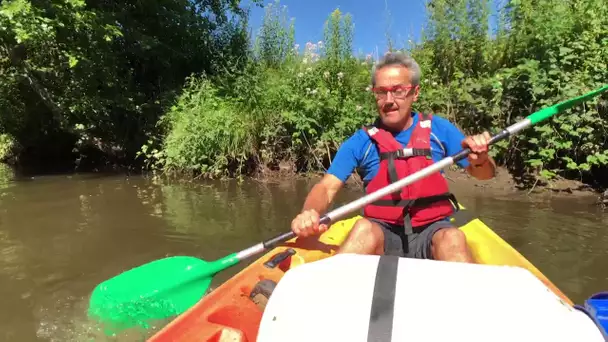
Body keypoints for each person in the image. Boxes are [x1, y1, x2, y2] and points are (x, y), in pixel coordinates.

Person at [290, 52, 496, 263]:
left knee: (453, 238)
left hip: (432, 230)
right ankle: (330, 291)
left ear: (415, 93)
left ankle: (468, 293)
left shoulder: (439, 129)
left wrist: (479, 159)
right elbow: (326, 187)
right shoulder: (362, 141)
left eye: (398, 91)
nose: (389, 100)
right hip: (382, 230)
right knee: (363, 230)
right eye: (381, 92)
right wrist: (310, 212)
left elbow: (485, 175)